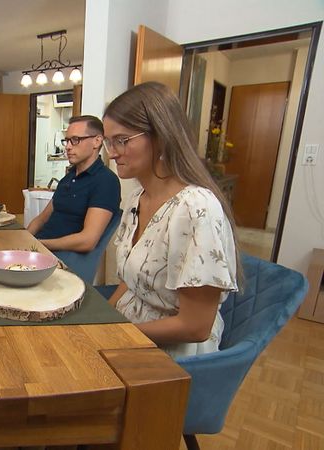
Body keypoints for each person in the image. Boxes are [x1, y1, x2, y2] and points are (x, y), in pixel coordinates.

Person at [103, 81, 240, 358]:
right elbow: (130, 281)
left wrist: (116, 333)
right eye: (108, 141)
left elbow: (195, 327)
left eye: (122, 140)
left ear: (161, 137)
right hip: (127, 330)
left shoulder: (195, 209)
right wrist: (104, 320)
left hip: (174, 353)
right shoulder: (136, 199)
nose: (112, 152)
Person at [26, 115, 121, 252]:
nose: (68, 147)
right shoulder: (68, 178)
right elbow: (41, 219)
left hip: (62, 259)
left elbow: (87, 241)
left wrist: (39, 244)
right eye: (67, 140)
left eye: (75, 140)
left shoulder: (106, 181)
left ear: (97, 141)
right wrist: (25, 240)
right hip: (40, 250)